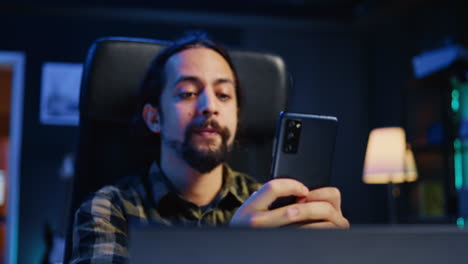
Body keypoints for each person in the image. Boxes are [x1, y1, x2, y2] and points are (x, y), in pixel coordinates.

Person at [69, 32, 349, 263]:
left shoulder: (273, 209)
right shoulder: (109, 209)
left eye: (224, 95)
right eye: (188, 93)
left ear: (237, 118)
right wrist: (231, 251)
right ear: (154, 118)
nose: (209, 107)